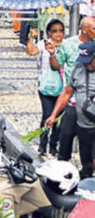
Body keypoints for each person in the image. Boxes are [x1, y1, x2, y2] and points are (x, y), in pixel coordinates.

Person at [46, 38, 95, 178]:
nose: (87, 64)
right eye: (84, 60)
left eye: (90, 60)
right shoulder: (78, 69)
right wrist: (53, 115)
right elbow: (67, 93)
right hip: (83, 123)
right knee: (86, 161)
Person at [26, 19, 66, 156]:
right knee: (47, 114)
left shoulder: (66, 45)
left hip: (63, 87)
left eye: (61, 30)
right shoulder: (43, 44)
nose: (58, 34)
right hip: (46, 85)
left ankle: (53, 145)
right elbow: (31, 52)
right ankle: (43, 144)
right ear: (49, 32)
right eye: (55, 31)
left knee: (59, 118)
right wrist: (31, 37)